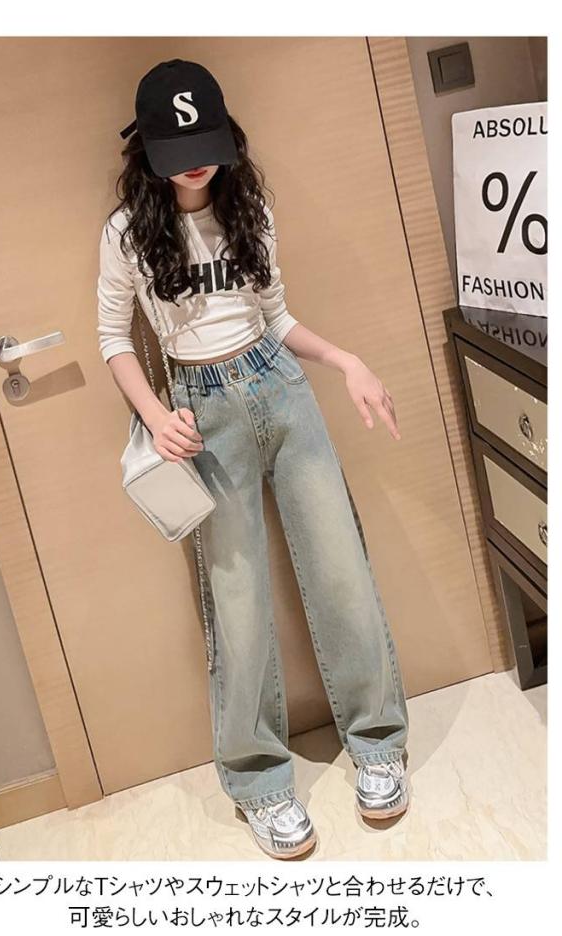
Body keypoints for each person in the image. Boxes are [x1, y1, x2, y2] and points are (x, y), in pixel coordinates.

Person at [97, 58, 410, 860]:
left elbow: (274, 317)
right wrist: (155, 416)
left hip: (280, 388)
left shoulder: (250, 207)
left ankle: (378, 742)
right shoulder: (128, 234)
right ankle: (260, 781)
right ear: (148, 151)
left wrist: (346, 361)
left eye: (204, 145)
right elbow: (111, 338)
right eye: (178, 151)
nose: (195, 164)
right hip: (200, 415)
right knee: (236, 603)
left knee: (339, 566)